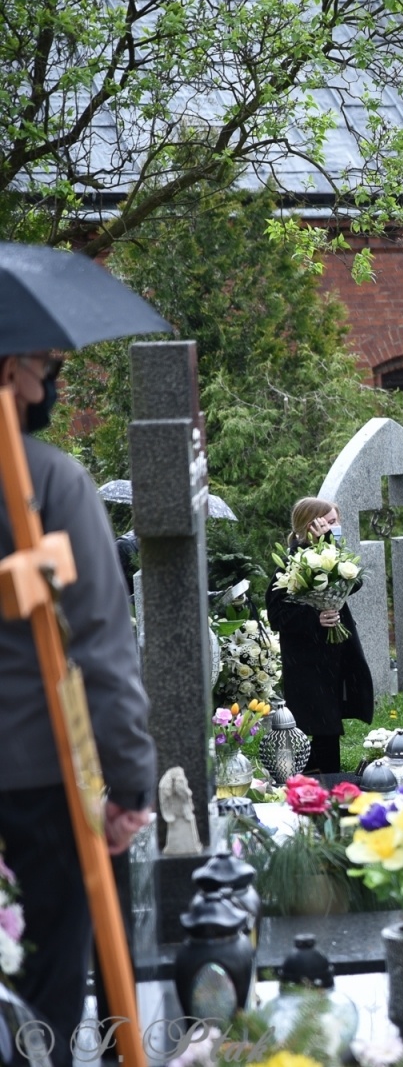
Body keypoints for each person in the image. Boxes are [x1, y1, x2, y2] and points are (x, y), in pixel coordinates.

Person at [0, 351, 156, 1067]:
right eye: (46, 364)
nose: (53, 379)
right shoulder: (48, 480)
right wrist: (128, 782)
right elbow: (100, 641)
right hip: (37, 776)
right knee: (45, 1000)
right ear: (10, 370)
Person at [266, 497, 374, 773]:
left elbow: (354, 581)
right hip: (306, 656)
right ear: (310, 525)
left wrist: (328, 547)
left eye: (336, 522)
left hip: (334, 650)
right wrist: (315, 618)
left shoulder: (331, 554)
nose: (335, 527)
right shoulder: (292, 563)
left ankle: (322, 770)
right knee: (318, 717)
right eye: (330, 522)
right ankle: (315, 773)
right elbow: (277, 614)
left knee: (329, 717)